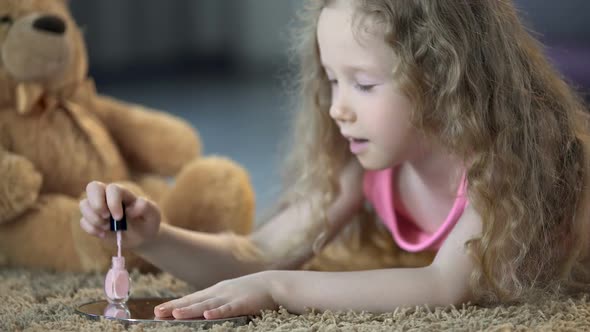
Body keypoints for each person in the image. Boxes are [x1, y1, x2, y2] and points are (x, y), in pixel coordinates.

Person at [79, 0, 590, 320]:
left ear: (443, 79)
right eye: (331, 79)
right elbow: (261, 252)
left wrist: (279, 288)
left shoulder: (504, 158)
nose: (336, 107)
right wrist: (154, 236)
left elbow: (445, 285)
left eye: (364, 84)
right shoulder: (364, 164)